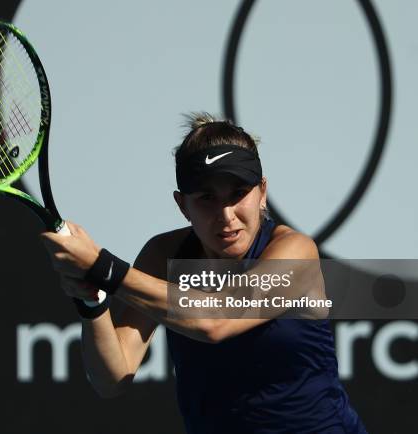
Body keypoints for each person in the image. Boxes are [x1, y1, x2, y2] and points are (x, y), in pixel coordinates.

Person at [40, 113, 367, 433]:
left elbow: (216, 321)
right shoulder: (163, 255)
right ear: (183, 205)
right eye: (207, 198)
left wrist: (102, 267)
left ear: (262, 192)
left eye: (238, 194)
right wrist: (92, 302)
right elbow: (112, 377)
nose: (227, 216)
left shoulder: (296, 251)